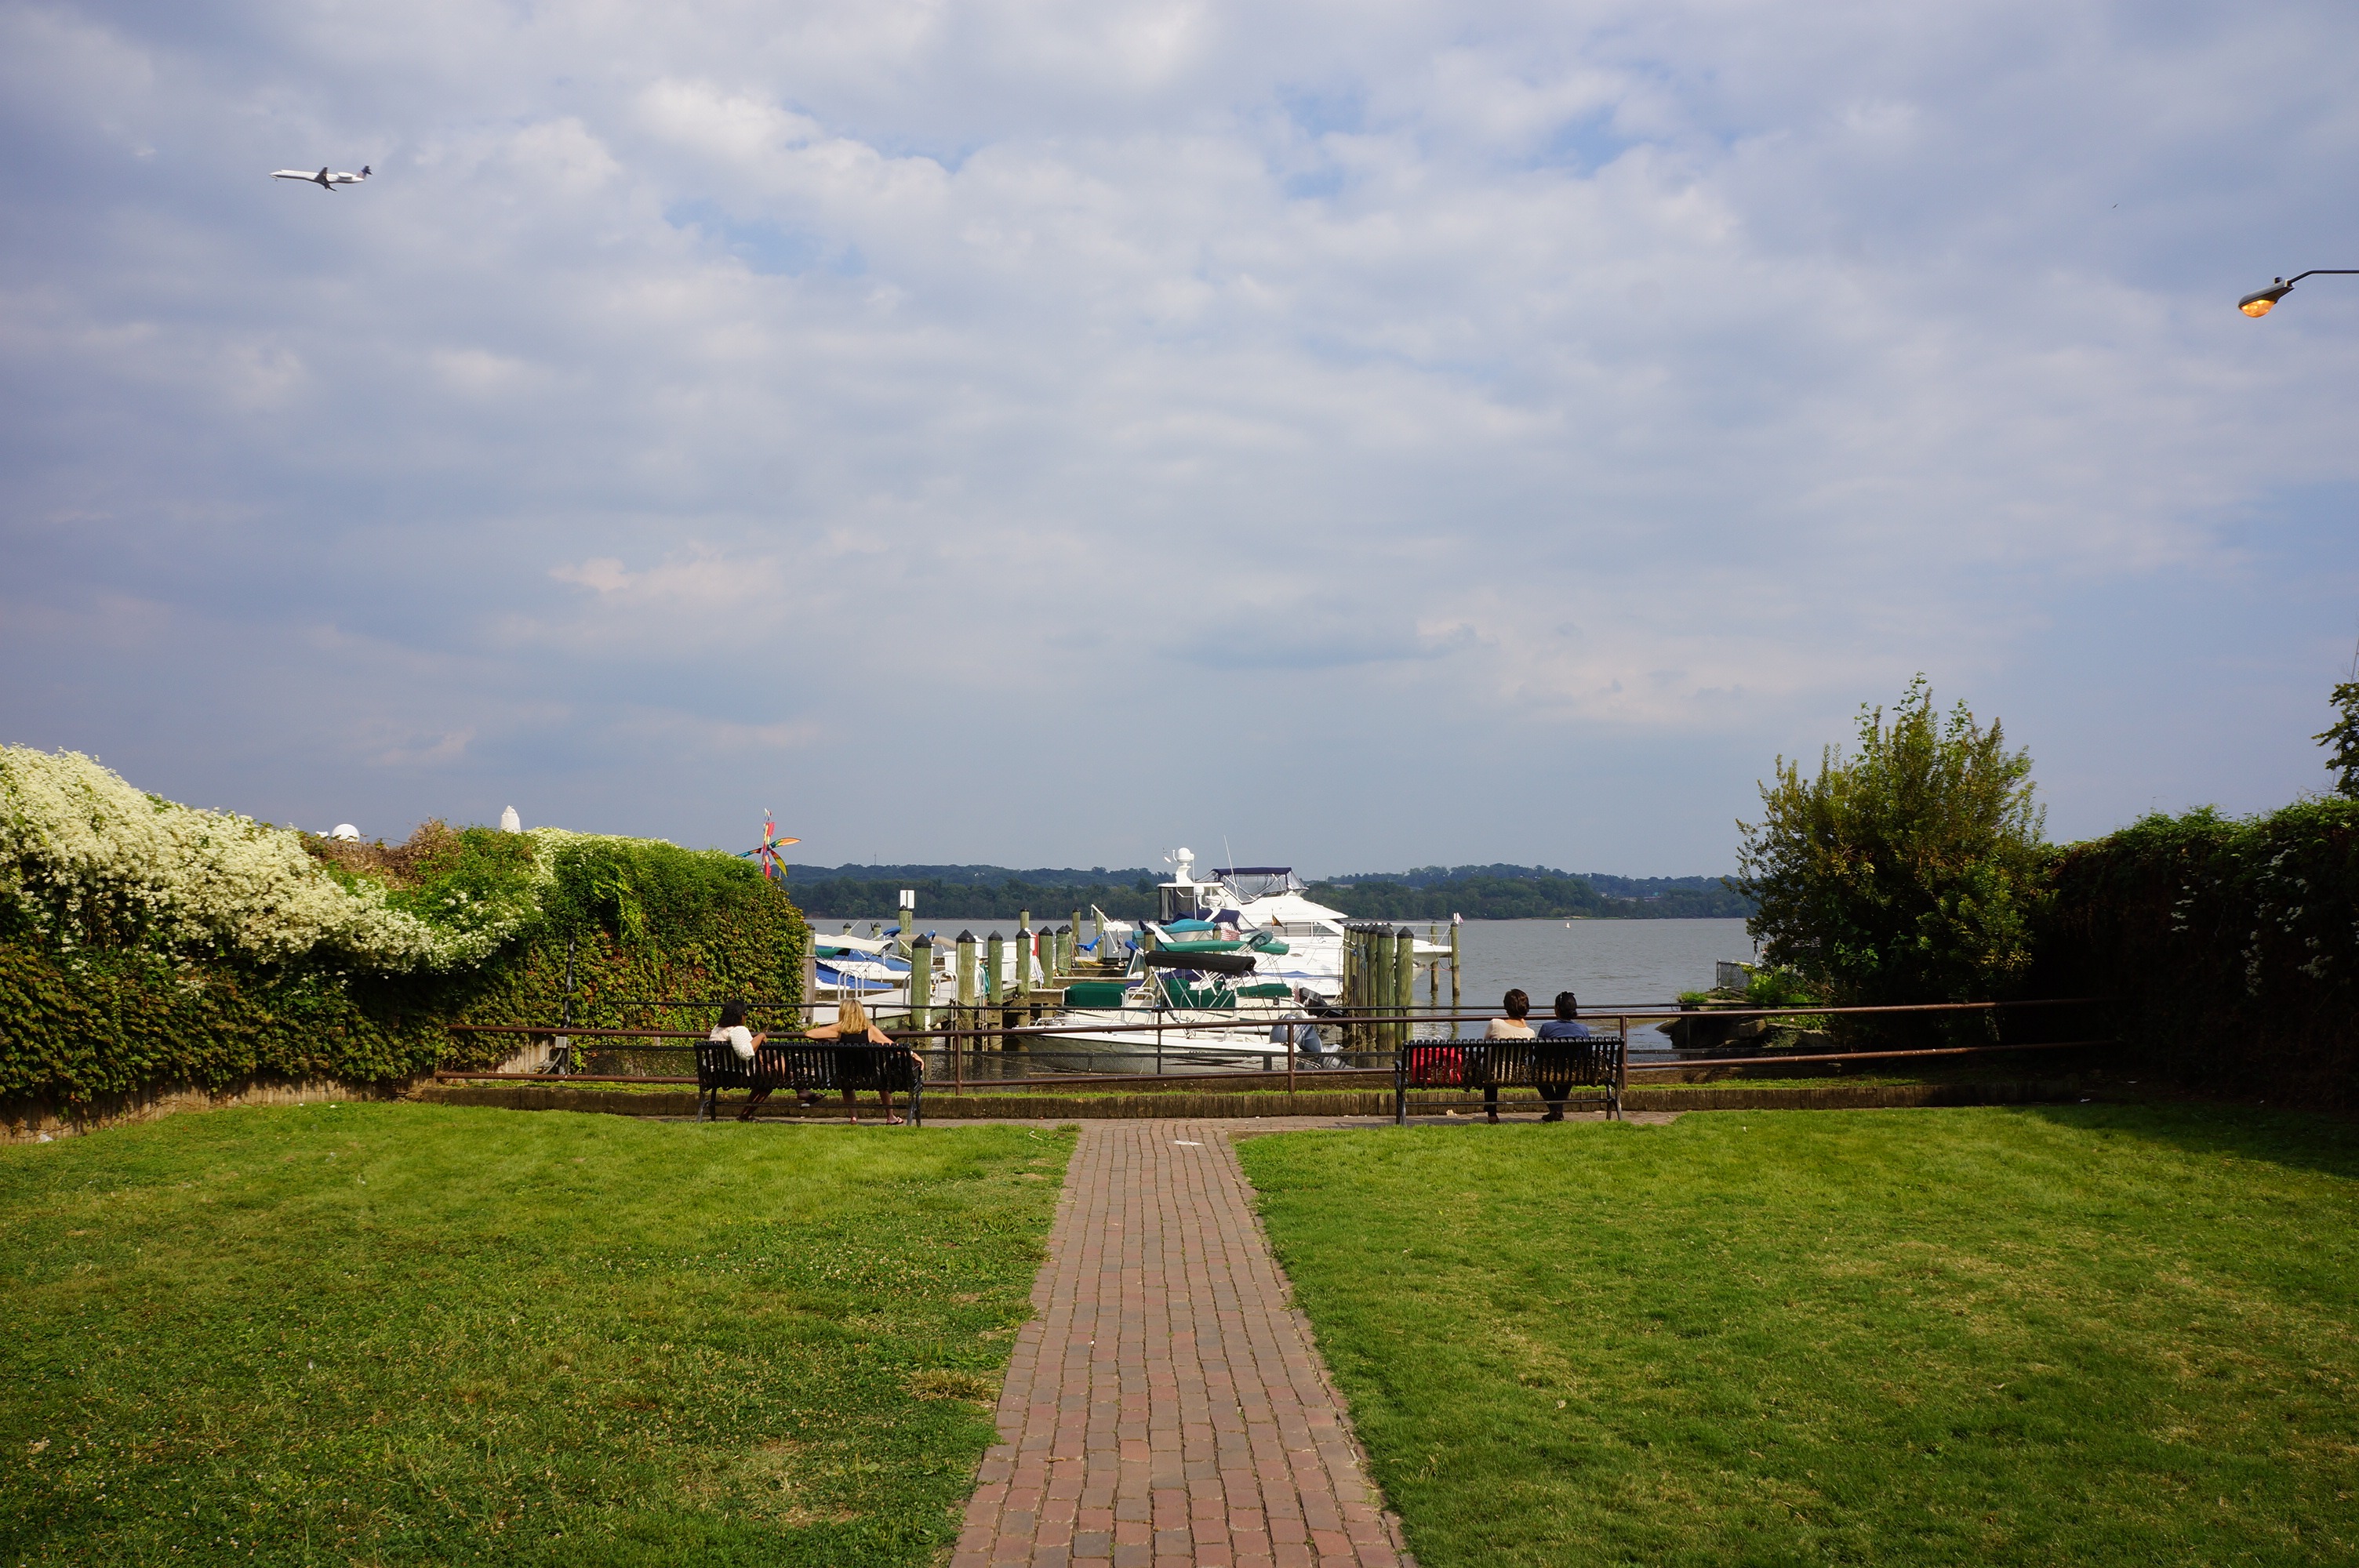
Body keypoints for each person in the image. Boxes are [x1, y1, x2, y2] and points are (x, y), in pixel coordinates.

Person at [804, 996, 915, 1125]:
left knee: (846, 1083)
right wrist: (914, 1055)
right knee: (883, 1082)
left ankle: (854, 1117)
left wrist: (830, 1038)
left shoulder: (839, 1030)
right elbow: (895, 1046)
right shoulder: (870, 1030)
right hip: (871, 1078)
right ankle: (891, 1116)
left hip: (846, 1077)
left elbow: (809, 1034)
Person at [1477, 989, 1536, 1123]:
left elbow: (1485, 1042)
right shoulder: (1530, 1033)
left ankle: (1492, 1114)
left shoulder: (1496, 1024)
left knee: (1490, 1069)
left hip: (1494, 1073)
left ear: (1506, 1007)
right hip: (1516, 1075)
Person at [1534, 990, 1593, 1123]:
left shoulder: (1547, 1028)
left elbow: (1537, 1052)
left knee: (1539, 1075)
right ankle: (1557, 1110)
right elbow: (1587, 1054)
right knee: (1568, 1071)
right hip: (1574, 1072)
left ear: (1557, 1010)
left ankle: (1555, 1110)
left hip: (1549, 1070)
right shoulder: (1583, 1030)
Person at [710, 1000, 769, 1122]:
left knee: (770, 1074)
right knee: (770, 1080)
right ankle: (744, 1116)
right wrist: (761, 1036)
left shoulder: (717, 1029)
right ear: (741, 1015)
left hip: (717, 1075)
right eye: (746, 1013)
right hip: (736, 1076)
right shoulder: (737, 1030)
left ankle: (745, 1116)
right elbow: (745, 1053)